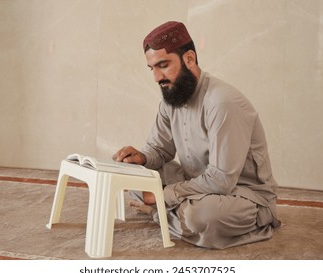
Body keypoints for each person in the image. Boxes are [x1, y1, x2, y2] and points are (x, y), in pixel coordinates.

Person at [113, 21, 280, 249]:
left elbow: (221, 180)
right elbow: (160, 150)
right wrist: (141, 159)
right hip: (195, 184)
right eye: (152, 68)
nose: (156, 78)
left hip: (241, 195)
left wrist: (165, 196)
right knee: (135, 175)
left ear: (189, 59)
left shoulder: (222, 102)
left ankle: (163, 214)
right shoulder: (171, 97)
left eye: (163, 65)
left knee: (200, 217)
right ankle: (172, 214)